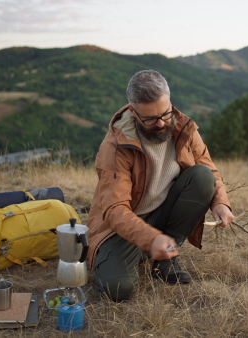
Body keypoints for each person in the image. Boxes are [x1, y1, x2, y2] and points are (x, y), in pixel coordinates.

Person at [86, 69, 235, 302]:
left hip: (162, 211)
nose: (161, 123)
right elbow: (115, 210)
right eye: (150, 119)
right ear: (133, 112)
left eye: (165, 114)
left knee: (202, 177)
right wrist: (150, 238)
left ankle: (164, 259)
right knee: (119, 289)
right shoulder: (115, 145)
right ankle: (148, 249)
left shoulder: (183, 127)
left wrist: (220, 203)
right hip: (122, 225)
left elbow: (210, 170)